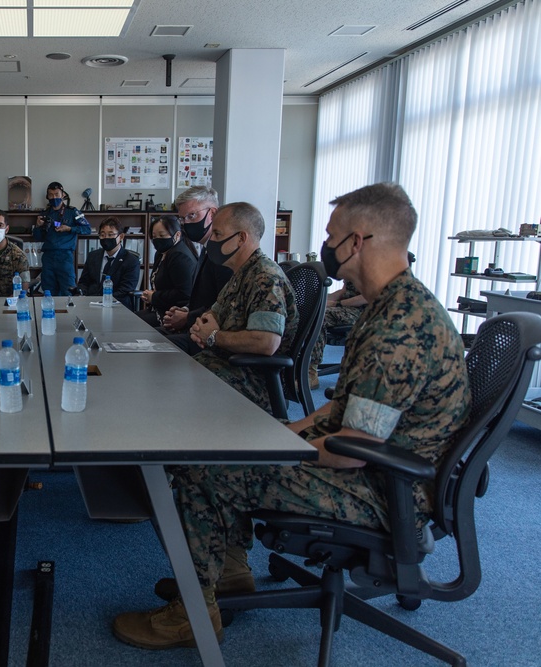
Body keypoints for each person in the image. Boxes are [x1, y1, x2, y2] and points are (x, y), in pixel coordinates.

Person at [112, 182, 470, 650]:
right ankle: (229, 575)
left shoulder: (400, 327)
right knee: (215, 453)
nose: (325, 246)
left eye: (331, 235)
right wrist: (283, 430)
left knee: (201, 466)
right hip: (381, 475)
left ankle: (191, 615)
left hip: (381, 493)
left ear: (356, 242)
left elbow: (353, 449)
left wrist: (269, 448)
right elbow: (343, 412)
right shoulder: (396, 307)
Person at [187, 202, 298, 415]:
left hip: (251, 379)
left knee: (173, 391)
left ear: (241, 238)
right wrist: (201, 329)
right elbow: (211, 318)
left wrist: (213, 336)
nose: (212, 241)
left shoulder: (265, 277)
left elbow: (266, 342)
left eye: (218, 234)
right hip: (222, 364)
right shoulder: (240, 273)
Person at [159, 186, 234, 354]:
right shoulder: (206, 249)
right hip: (194, 327)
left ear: (213, 214)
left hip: (210, 339)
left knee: (156, 348)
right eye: (182, 219)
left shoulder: (224, 254)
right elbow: (204, 297)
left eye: (192, 215)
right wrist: (184, 310)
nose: (186, 223)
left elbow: (222, 305)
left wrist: (187, 317)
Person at [31, 181, 91, 295]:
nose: (54, 197)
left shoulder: (72, 212)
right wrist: (38, 227)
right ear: (47, 196)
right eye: (51, 195)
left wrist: (69, 229)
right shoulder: (44, 214)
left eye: (57, 194)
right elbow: (37, 237)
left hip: (65, 257)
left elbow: (87, 229)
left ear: (63, 195)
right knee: (48, 291)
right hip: (48, 257)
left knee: (68, 290)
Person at [138, 214, 197, 326]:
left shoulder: (179, 256)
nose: (157, 240)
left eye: (162, 235)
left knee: (132, 324)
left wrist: (154, 297)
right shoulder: (161, 254)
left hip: (173, 312)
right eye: (154, 236)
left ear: (177, 235)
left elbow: (184, 293)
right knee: (127, 319)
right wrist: (150, 295)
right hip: (158, 308)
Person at [308, 279, 366, 388]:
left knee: (318, 317)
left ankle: (311, 374)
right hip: (345, 308)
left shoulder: (374, 267)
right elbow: (344, 291)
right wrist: (321, 299)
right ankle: (297, 367)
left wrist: (336, 304)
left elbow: (368, 297)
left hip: (362, 312)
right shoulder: (353, 264)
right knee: (310, 310)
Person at [76, 217, 141, 309]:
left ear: (121, 237)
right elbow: (84, 282)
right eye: (102, 235)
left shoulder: (131, 260)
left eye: (110, 235)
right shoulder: (93, 256)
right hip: (91, 303)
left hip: (118, 305)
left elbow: (125, 290)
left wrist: (104, 301)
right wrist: (81, 293)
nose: (106, 238)